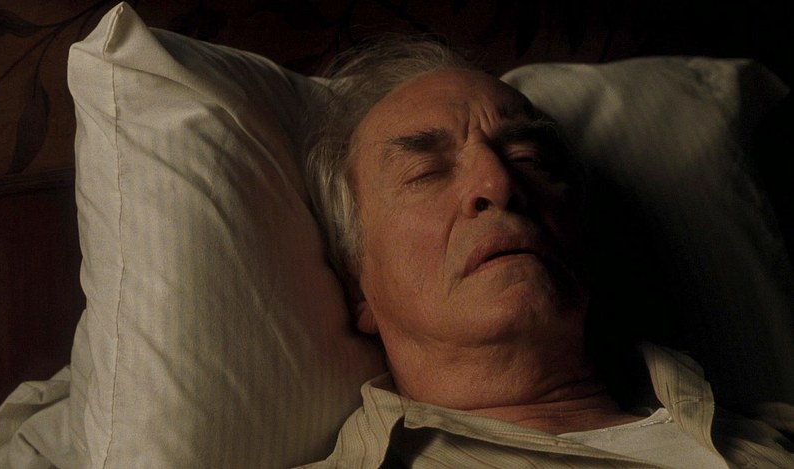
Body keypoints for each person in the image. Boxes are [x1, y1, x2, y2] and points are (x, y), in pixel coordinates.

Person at [299, 36, 794, 468]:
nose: (498, 182)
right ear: (357, 287)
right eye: (425, 172)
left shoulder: (775, 432)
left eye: (528, 158)